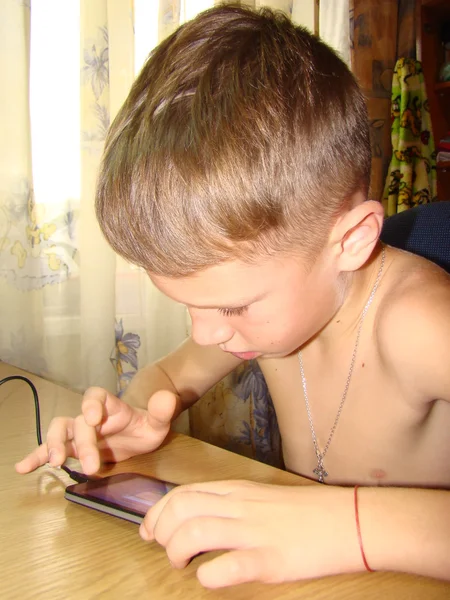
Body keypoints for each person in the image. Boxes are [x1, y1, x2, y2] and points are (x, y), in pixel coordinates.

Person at [16, 3, 450, 589]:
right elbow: (169, 380)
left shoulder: (419, 324)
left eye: (231, 307)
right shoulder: (267, 319)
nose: (205, 333)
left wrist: (348, 525)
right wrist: (142, 413)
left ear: (350, 241)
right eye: (187, 303)